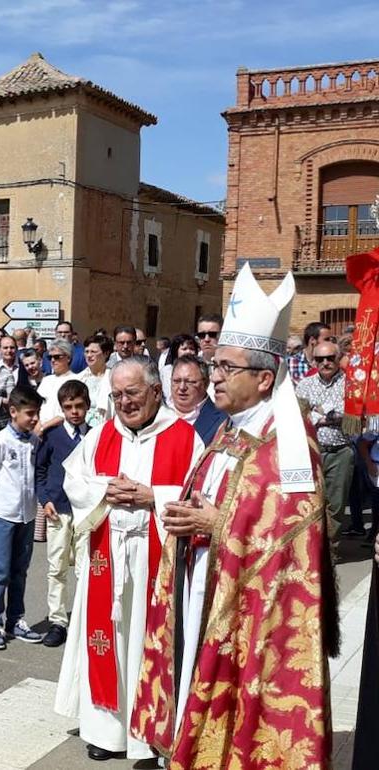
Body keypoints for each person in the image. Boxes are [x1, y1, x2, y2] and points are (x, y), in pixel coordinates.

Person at [133, 266, 336, 769]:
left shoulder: (289, 445)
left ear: (264, 378)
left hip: (249, 613)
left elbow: (291, 549)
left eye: (227, 367)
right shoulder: (229, 429)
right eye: (214, 364)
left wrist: (215, 524)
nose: (214, 376)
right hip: (202, 586)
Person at [55, 356, 202, 763]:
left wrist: (153, 495)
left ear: (156, 390)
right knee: (108, 642)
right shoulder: (101, 434)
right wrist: (105, 490)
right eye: (117, 394)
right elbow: (73, 480)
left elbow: (202, 498)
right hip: (108, 558)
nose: (124, 402)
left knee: (147, 644)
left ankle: (149, 739)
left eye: (132, 393)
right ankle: (107, 731)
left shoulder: (185, 437)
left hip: (157, 561)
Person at [0, 384, 45, 650]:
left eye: (37, 412)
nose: (35, 418)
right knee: (0, 570)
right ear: (13, 411)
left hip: (27, 514)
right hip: (3, 514)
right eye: (30, 413)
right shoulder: (0, 442)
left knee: (20, 570)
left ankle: (16, 619)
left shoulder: (35, 441)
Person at [35, 380, 90, 649]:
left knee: (84, 568)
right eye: (69, 407)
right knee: (56, 567)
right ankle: (58, 621)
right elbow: (40, 471)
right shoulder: (52, 436)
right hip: (58, 510)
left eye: (79, 406)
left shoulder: (95, 434)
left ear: (88, 406)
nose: (75, 412)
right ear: (62, 409)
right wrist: (44, 499)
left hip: (85, 512)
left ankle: (82, 618)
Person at [296, 338, 352, 540]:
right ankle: (313, 553)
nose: (325, 363)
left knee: (335, 507)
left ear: (338, 359)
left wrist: (319, 411)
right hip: (312, 452)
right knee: (310, 504)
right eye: (320, 359)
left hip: (340, 452)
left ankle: (332, 554)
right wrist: (328, 414)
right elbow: (299, 415)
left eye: (330, 358)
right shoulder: (304, 384)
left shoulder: (350, 384)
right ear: (313, 361)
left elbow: (350, 417)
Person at [167, 355, 226, 444]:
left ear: (206, 383)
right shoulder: (157, 413)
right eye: (176, 381)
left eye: (190, 382)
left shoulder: (223, 422)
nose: (182, 387)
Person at [36, 338, 78, 434]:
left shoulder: (75, 380)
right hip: (39, 429)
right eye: (50, 357)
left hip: (61, 431)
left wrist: (44, 427)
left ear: (68, 358)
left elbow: (67, 412)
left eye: (57, 357)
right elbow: (36, 405)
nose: (53, 360)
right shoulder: (46, 380)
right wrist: (38, 426)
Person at [77, 335, 112, 429]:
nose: (89, 355)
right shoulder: (79, 378)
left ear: (106, 354)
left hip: (105, 426)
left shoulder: (113, 378)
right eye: (86, 351)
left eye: (93, 352)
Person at [158, 334, 199, 400]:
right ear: (176, 351)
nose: (188, 352)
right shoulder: (167, 371)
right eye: (184, 349)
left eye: (191, 349)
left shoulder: (199, 370)